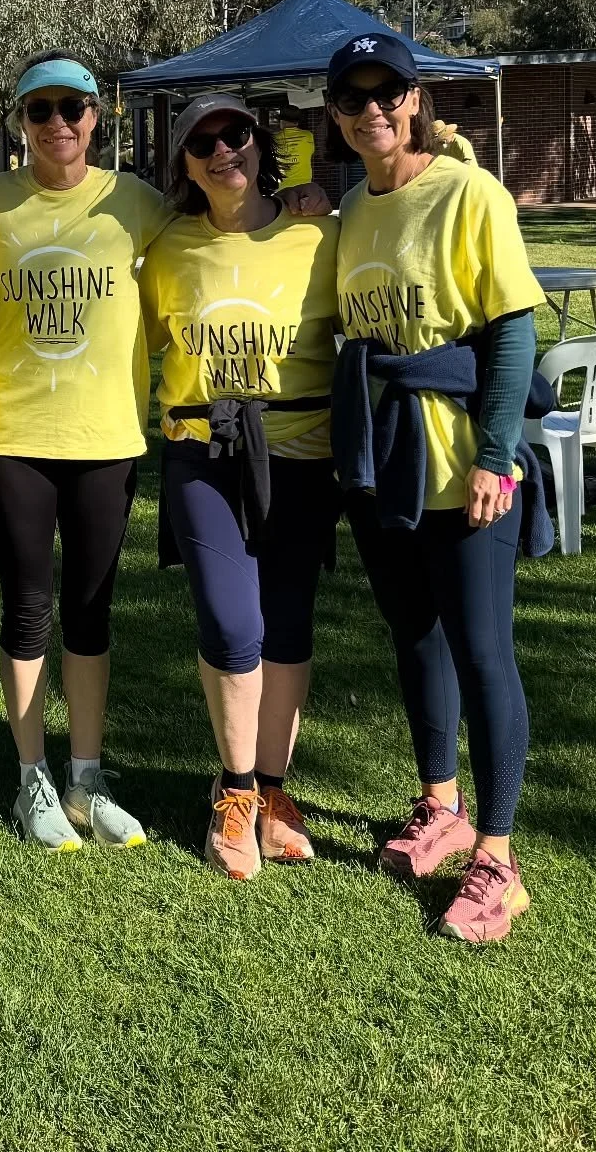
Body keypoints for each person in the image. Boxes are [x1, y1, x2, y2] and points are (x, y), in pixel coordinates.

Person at [326, 31, 547, 943]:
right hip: (384, 462)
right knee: (414, 637)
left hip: (464, 468)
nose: (372, 108)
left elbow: (512, 333)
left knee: (482, 650)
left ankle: (497, 856)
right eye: (354, 96)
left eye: (388, 91)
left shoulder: (470, 193)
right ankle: (440, 806)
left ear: (414, 100)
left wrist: (497, 454)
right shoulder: (349, 211)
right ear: (335, 113)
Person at [0, 53, 173, 852]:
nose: (59, 124)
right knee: (27, 610)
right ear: (19, 121)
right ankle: (32, 780)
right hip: (14, 438)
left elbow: (227, 222)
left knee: (91, 614)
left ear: (99, 116)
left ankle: (86, 774)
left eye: (74, 108)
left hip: (106, 438)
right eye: (40, 109)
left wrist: (299, 203)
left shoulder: (139, 203)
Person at [141, 93, 340, 879]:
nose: (224, 151)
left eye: (236, 135)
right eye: (203, 144)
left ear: (260, 142)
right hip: (203, 452)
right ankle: (234, 788)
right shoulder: (166, 248)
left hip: (301, 452)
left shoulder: (316, 234)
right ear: (186, 165)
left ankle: (274, 791)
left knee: (288, 626)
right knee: (233, 626)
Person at [275, 105, 315, 189]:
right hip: (305, 183)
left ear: (282, 121)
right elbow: (310, 152)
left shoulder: (275, 139)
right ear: (297, 122)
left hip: (283, 185)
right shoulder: (308, 136)